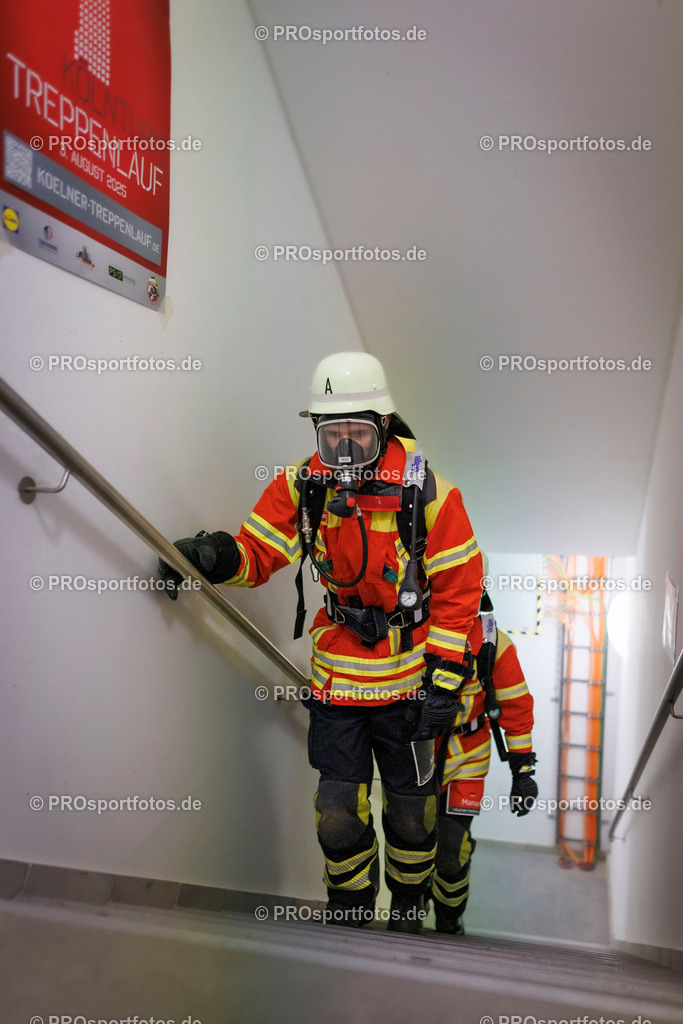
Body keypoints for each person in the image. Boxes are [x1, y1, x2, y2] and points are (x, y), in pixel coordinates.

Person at [159, 352, 483, 932]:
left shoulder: (430, 490)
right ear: (317, 429)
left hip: (410, 686)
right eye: (332, 434)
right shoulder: (302, 483)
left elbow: (460, 587)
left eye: (357, 433)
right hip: (337, 683)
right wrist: (210, 557)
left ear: (385, 425)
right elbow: (258, 553)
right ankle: (351, 912)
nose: (344, 449)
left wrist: (446, 678)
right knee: (336, 815)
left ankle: (408, 908)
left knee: (412, 817)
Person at [430, 568, 538, 935]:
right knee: (410, 833)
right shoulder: (411, 629)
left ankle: (448, 917)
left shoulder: (495, 645)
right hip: (416, 756)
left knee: (451, 844)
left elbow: (517, 709)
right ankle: (407, 912)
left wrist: (523, 773)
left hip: (468, 759)